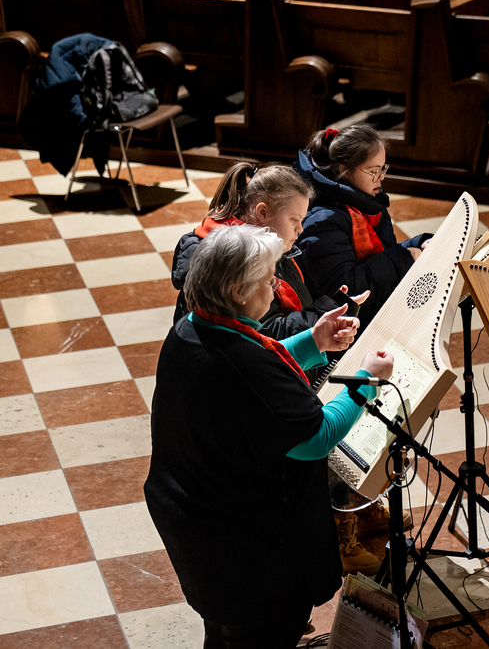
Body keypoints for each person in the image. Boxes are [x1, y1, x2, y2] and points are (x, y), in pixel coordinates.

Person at [145, 225, 394, 649]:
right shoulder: (242, 364)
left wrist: (314, 340)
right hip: (250, 557)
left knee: (223, 637)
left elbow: (257, 360)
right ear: (238, 291)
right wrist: (365, 382)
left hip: (198, 531)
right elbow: (315, 437)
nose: (275, 286)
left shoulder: (192, 327)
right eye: (268, 279)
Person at [172, 162, 356, 340]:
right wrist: (328, 311)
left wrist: (333, 307)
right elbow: (266, 334)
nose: (300, 229)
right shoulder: (232, 262)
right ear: (262, 213)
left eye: (301, 221)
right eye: (294, 220)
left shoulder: (276, 247)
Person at [294, 126, 431, 331]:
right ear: (343, 170)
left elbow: (381, 255)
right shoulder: (322, 221)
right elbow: (344, 290)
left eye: (383, 169)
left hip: (371, 314)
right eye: (373, 171)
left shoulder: (368, 203)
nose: (381, 178)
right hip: (346, 329)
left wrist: (419, 244)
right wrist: (402, 258)